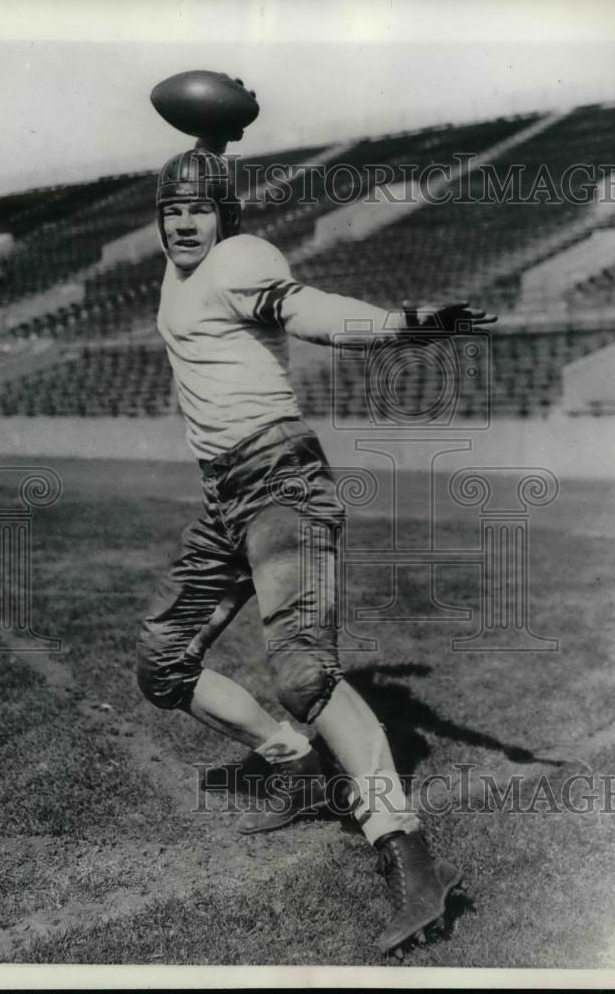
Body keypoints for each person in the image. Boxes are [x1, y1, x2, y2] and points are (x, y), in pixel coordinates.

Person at [136, 147, 491, 954]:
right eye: (171, 210)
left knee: (301, 667)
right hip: (226, 495)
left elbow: (315, 312)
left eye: (198, 208)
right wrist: (208, 146)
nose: (183, 222)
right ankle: (295, 763)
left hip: (282, 482)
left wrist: (408, 326)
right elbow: (198, 185)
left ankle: (408, 854)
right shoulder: (176, 270)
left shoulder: (238, 257)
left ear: (226, 217)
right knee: (161, 663)